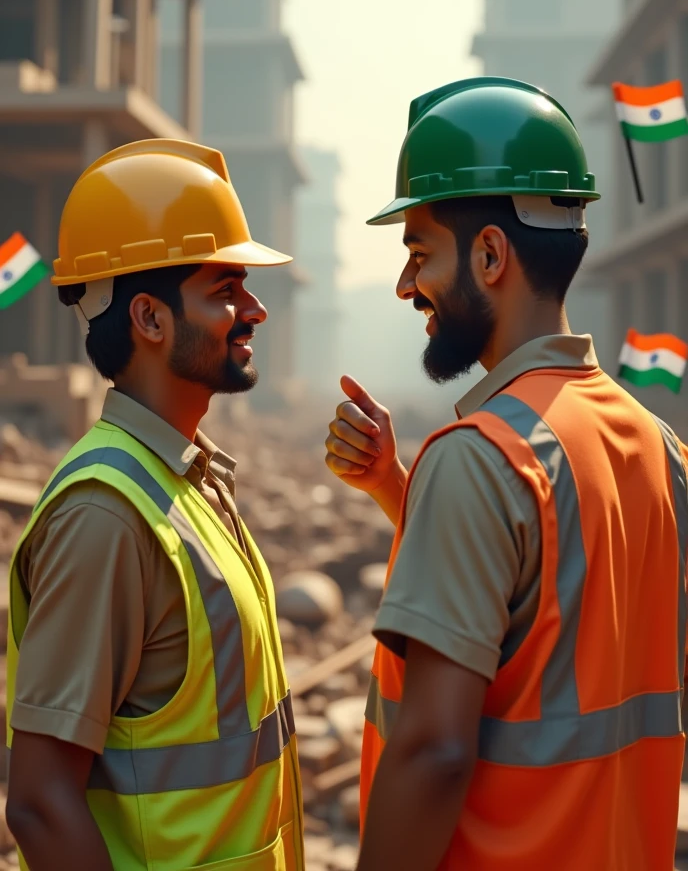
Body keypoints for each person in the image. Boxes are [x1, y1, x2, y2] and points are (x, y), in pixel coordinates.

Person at [325, 77, 688, 871]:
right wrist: (399, 488)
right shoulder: (658, 448)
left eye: (418, 253)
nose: (404, 285)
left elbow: (433, 754)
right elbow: (553, 614)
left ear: (491, 255)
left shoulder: (482, 460)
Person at [6, 139, 304, 871]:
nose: (255, 310)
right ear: (149, 317)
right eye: (226, 289)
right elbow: (41, 803)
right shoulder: (105, 516)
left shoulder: (186, 482)